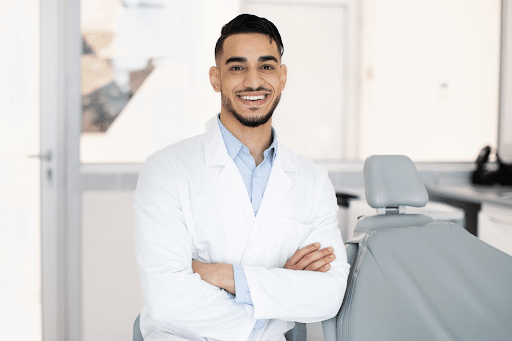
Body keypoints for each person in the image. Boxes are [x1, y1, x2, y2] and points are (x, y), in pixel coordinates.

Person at [133, 13, 350, 341]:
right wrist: (277, 289)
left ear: (282, 75)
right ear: (216, 78)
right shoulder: (165, 170)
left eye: (266, 66)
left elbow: (329, 295)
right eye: (237, 67)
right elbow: (168, 302)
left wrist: (223, 275)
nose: (253, 82)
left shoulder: (313, 180)